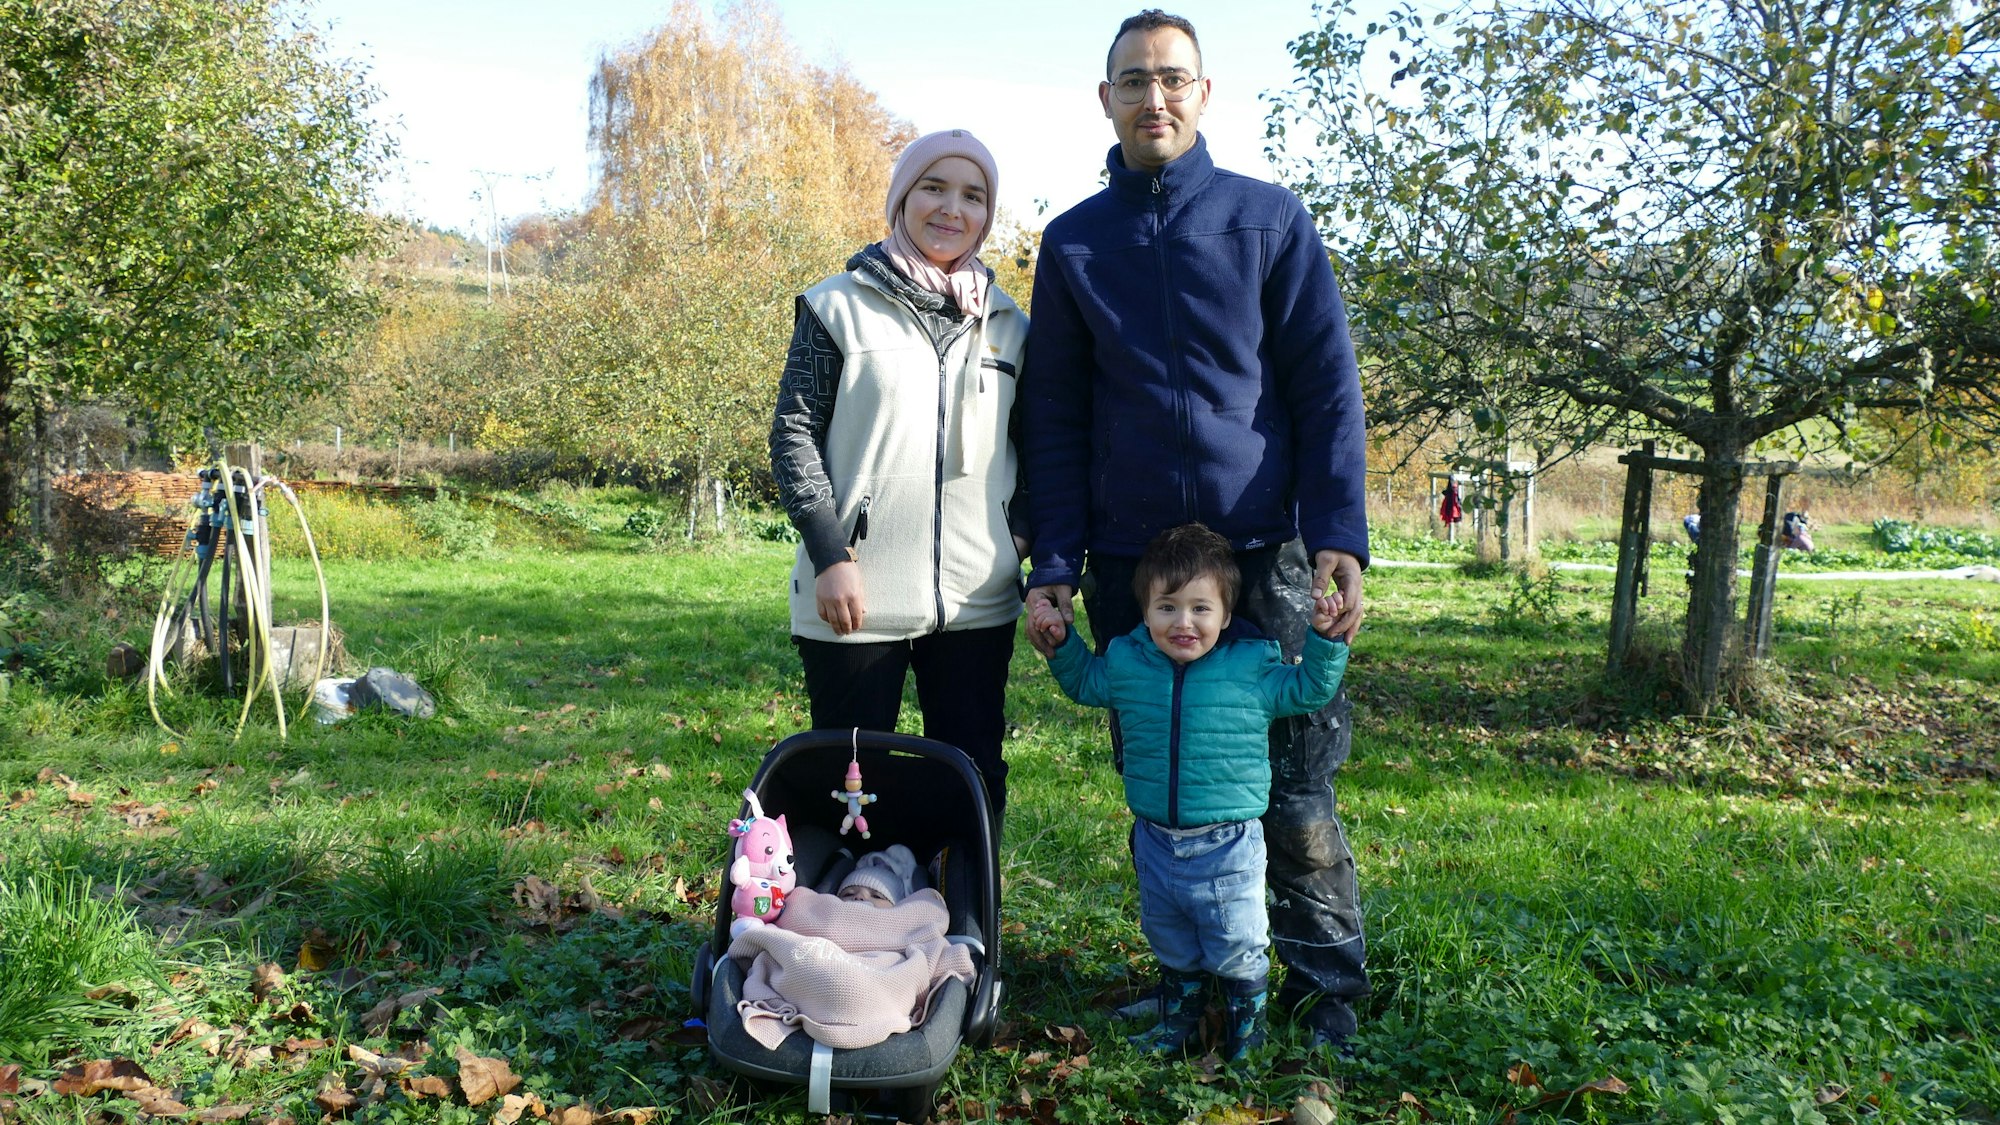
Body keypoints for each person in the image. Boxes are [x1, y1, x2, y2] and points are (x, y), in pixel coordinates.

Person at [1020, 9, 1371, 1051]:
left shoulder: (1268, 222)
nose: (1153, 97)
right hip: (1131, 560)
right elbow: (1052, 416)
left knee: (1293, 783)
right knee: (1172, 781)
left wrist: (1336, 531)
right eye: (1132, 80)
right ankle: (1189, 981)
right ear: (1106, 100)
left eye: (1172, 78)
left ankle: (1322, 987)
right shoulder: (1074, 242)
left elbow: (1325, 389)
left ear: (1204, 94)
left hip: (1262, 554)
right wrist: (1052, 560)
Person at [769, 129, 1028, 820]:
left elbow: (1038, 446)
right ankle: (841, 924)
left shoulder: (1008, 324)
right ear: (902, 198)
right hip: (855, 596)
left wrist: (1018, 539)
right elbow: (793, 434)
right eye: (934, 188)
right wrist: (831, 554)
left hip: (978, 597)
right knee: (850, 785)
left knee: (972, 777)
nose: (952, 208)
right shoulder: (836, 305)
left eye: (973, 195)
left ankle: (966, 924)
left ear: (987, 213)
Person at [1033, 524, 1348, 1061]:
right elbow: (1086, 682)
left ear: (1226, 615)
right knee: (1170, 935)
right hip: (1155, 839)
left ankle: (1245, 1033)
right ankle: (1180, 1016)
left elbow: (1309, 689)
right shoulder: (1129, 661)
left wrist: (1324, 638)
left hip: (1228, 843)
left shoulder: (1252, 665)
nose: (1184, 622)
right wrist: (1063, 647)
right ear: (1145, 611)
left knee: (1237, 943)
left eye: (1201, 609)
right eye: (1167, 607)